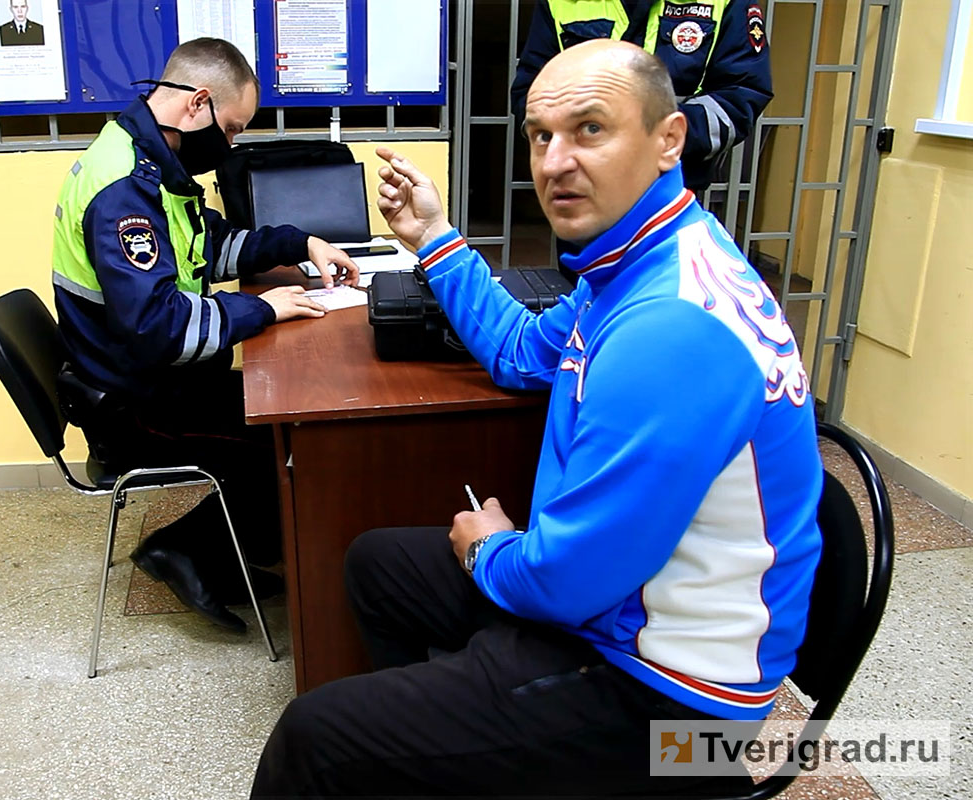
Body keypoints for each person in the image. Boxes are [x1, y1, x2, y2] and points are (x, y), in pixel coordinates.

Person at [250, 40, 821, 798]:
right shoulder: (639, 256)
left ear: (668, 140)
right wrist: (431, 237)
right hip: (615, 608)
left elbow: (563, 582)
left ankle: (467, 737)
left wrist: (488, 553)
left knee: (314, 736)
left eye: (590, 129)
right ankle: (443, 758)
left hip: (669, 700)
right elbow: (523, 352)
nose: (554, 162)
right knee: (377, 564)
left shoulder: (670, 326)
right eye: (540, 135)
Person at [51, 37, 358, 634]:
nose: (233, 144)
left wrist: (302, 243)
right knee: (283, 444)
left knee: (286, 420)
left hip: (149, 379)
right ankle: (182, 551)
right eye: (234, 128)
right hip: (131, 400)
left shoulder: (148, 162)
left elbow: (209, 244)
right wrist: (264, 310)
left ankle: (223, 557)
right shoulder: (124, 192)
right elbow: (160, 328)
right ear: (198, 104)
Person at [511, 0, 772, 192]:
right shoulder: (561, 3)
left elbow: (741, 94)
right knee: (586, 266)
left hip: (673, 185)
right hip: (583, 188)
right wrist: (576, 135)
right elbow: (531, 92)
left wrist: (650, 138)